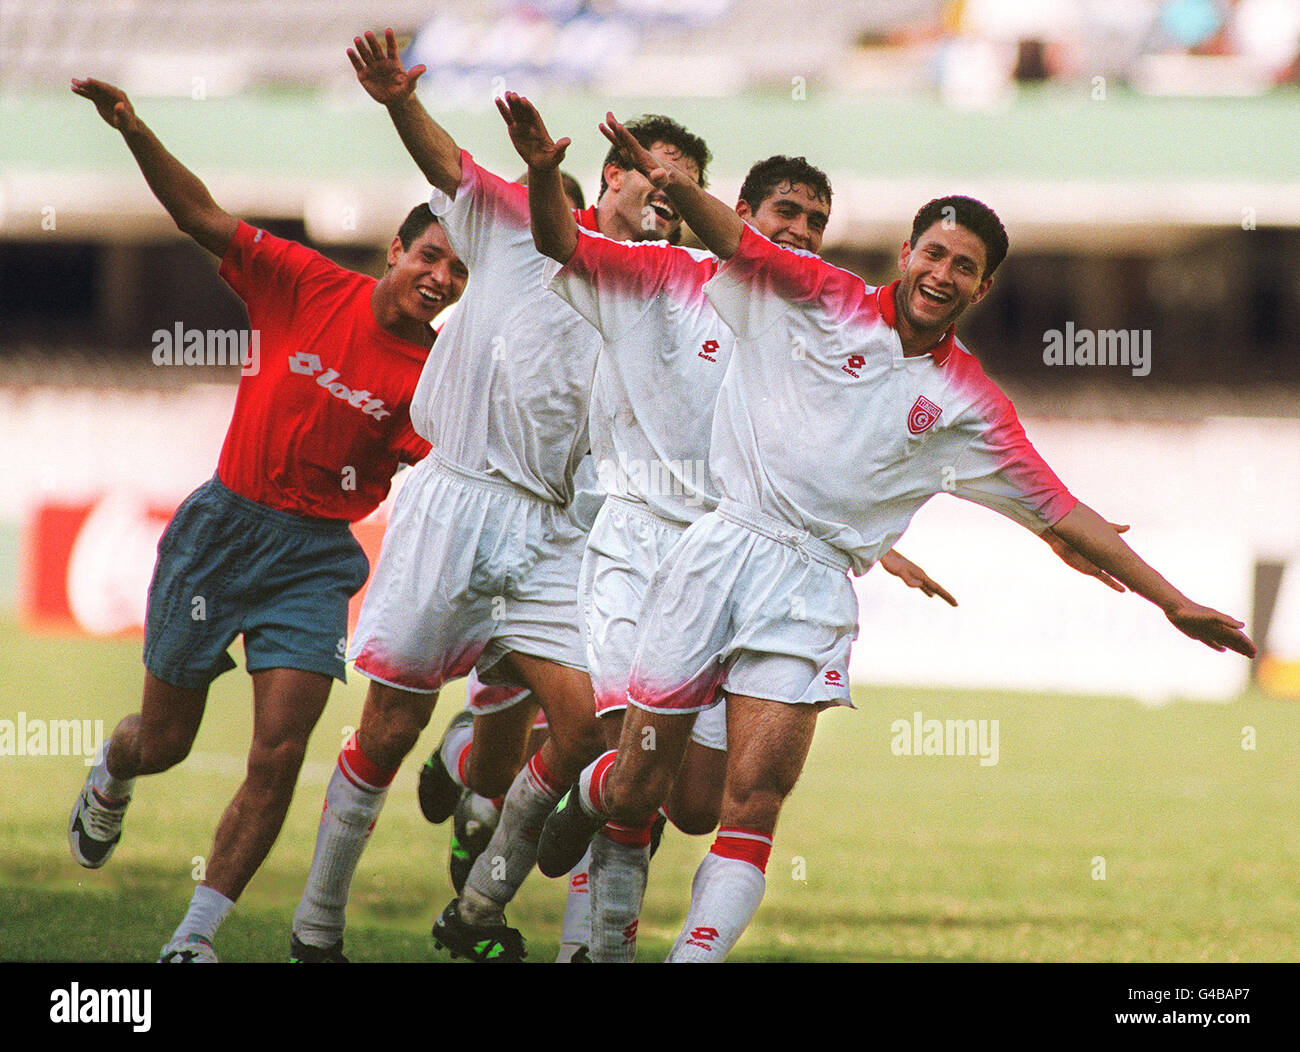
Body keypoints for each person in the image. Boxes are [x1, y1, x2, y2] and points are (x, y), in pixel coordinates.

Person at [539, 111, 1256, 962]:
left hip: (811, 592)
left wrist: (1173, 602)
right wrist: (678, 188)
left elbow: (1063, 511)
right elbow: (740, 242)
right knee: (648, 793)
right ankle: (594, 791)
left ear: (981, 290)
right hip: (719, 551)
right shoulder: (822, 296)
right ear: (908, 253)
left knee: (750, 801)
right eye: (935, 253)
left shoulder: (971, 404)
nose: (944, 273)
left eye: (965, 268)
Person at [498, 92, 981, 962]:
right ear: (743, 218)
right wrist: (543, 174)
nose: (800, 230)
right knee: (632, 769)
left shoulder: (811, 331)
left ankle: (578, 802)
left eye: (817, 220)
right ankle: (574, 936)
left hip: (734, 555)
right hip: (636, 544)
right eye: (784, 213)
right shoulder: (666, 282)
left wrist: (883, 545)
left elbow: (813, 466)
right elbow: (561, 243)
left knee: (690, 803)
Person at [287, 29, 710, 964]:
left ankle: (476, 908)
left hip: (554, 529)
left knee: (587, 724)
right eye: (651, 174)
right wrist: (398, 99)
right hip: (457, 498)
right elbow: (448, 161)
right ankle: (316, 929)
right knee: (389, 727)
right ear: (608, 175)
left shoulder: (665, 290)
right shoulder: (520, 215)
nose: (663, 196)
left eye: (679, 190)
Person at [64, 77, 468, 963]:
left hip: (315, 561)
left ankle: (192, 940)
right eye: (431, 256)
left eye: (459, 272)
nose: (440, 279)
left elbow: (449, 486)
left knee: (279, 754)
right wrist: (134, 127)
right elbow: (201, 216)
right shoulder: (306, 282)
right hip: (221, 530)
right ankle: (112, 775)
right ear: (397, 249)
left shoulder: (439, 384)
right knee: (163, 743)